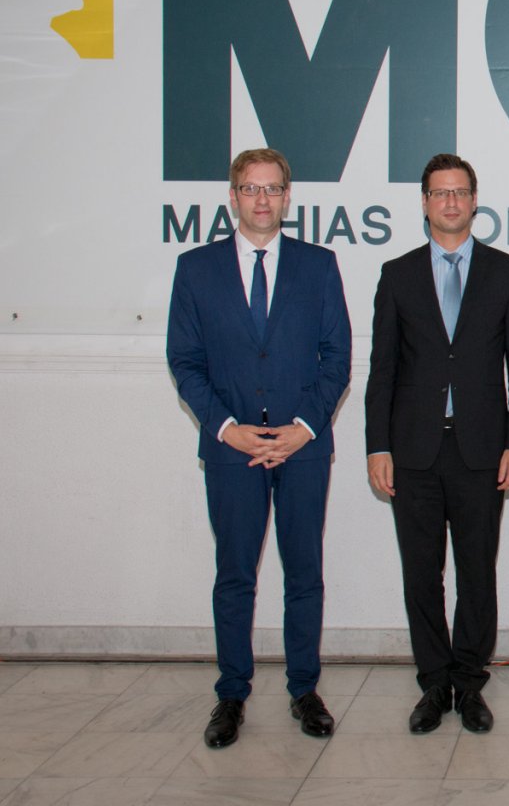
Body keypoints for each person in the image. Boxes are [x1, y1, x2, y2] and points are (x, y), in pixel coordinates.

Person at [167, 148, 351, 748]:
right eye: (251, 189)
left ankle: (304, 689)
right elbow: (185, 361)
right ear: (233, 197)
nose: (262, 199)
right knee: (235, 576)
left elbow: (338, 357)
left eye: (272, 189)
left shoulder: (319, 266)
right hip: (232, 449)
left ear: (288, 197)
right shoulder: (196, 269)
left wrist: (304, 427)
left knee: (304, 573)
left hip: (303, 448)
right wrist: (227, 428)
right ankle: (231, 694)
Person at [365, 153, 509, 733]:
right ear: (424, 202)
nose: (450, 202)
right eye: (440, 193)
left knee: (476, 573)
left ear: (474, 200)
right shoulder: (397, 275)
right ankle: (434, 683)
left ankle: (469, 682)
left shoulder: (507, 273)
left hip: (483, 451)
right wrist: (377, 446)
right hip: (412, 451)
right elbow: (382, 370)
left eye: (460, 192)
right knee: (422, 575)